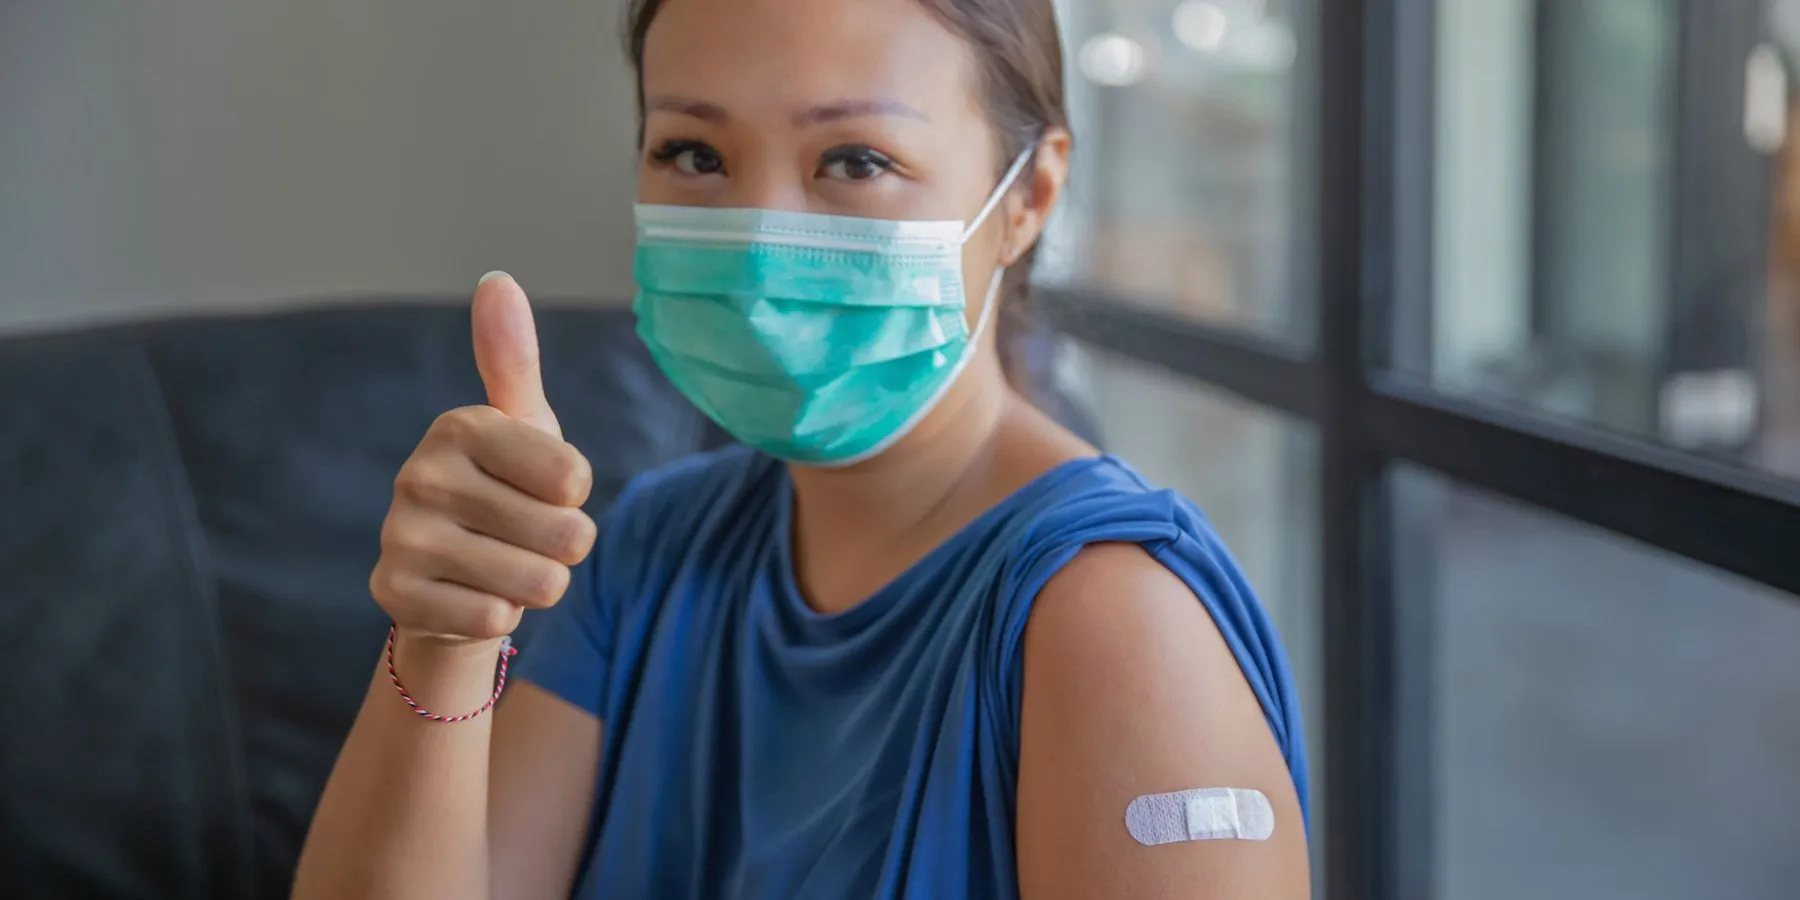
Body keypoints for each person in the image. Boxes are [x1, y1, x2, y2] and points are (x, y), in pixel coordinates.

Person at [292, 0, 1310, 896]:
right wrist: (444, 643)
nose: (758, 237)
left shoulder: (1114, 624)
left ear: (1030, 197)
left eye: (857, 160)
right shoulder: (648, 550)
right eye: (695, 152)